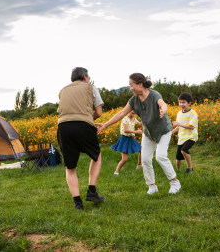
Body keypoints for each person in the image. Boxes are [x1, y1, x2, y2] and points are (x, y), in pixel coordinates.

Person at [97, 73, 181, 195]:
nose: (130, 88)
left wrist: (164, 109)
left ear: (140, 84)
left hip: (163, 131)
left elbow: (162, 103)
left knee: (160, 156)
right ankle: (152, 186)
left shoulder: (154, 94)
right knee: (145, 159)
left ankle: (174, 182)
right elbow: (121, 114)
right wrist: (105, 125)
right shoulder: (134, 100)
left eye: (132, 85)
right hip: (148, 133)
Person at [57, 67, 105, 210]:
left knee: (70, 167)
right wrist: (87, 118)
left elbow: (61, 112)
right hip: (83, 126)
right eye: (88, 77)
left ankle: (77, 203)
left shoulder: (63, 90)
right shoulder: (90, 87)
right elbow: (98, 112)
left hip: (63, 127)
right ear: (85, 76)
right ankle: (91, 191)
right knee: (96, 156)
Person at [172, 92, 198, 173]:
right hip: (181, 138)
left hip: (191, 136)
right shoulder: (179, 113)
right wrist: (171, 132)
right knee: (178, 158)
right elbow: (179, 126)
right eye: (180, 102)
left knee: (184, 150)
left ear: (189, 103)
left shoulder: (193, 113)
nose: (181, 104)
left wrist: (179, 124)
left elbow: (191, 126)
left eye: (183, 102)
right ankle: (177, 171)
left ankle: (190, 169)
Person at [111, 111, 143, 175]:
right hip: (124, 139)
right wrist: (136, 132)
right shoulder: (125, 119)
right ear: (128, 111)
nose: (133, 111)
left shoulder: (134, 118)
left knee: (141, 150)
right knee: (125, 159)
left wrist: (144, 118)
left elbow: (139, 124)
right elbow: (126, 130)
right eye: (132, 110)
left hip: (131, 138)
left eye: (135, 110)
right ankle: (116, 171)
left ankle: (139, 165)